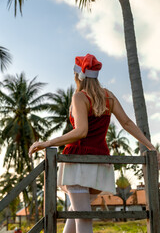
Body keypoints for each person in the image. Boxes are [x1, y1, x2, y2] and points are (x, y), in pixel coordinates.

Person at [29, 53, 160, 233]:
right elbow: (127, 123)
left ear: (78, 75)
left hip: (78, 163)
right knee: (75, 212)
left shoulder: (80, 97)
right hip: (99, 162)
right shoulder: (108, 96)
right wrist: (151, 147)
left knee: (82, 218)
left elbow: (81, 131)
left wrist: (47, 143)